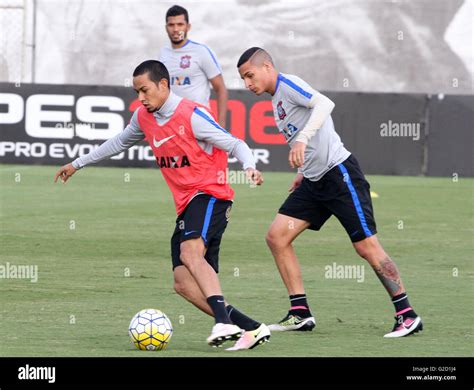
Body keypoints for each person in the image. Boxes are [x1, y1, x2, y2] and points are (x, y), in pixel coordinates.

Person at [54, 60, 270, 350]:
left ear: (163, 85)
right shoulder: (144, 117)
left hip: (211, 195)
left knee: (190, 252)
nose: (140, 98)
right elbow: (118, 142)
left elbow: (235, 143)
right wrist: (77, 163)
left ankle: (223, 322)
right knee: (183, 283)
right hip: (186, 205)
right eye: (136, 92)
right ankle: (253, 328)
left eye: (144, 90)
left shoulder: (192, 115)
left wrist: (249, 166)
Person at [236, 47, 423, 338]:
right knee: (277, 236)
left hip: (340, 175)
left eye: (250, 75)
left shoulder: (289, 84)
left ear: (268, 67)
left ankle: (407, 314)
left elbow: (324, 104)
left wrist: (302, 140)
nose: (247, 83)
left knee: (366, 247)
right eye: (243, 78)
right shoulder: (276, 101)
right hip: (312, 182)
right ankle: (300, 313)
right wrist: (302, 171)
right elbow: (311, 138)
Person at [159, 5, 228, 127]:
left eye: (180, 24)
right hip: (172, 123)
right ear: (166, 28)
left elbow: (220, 88)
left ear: (188, 27)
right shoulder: (163, 53)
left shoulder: (201, 51)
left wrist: (221, 125)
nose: (175, 29)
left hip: (198, 121)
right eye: (171, 25)